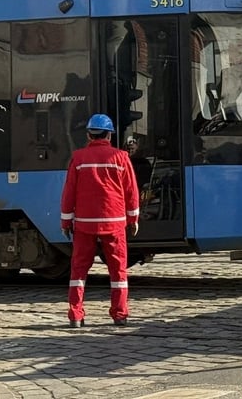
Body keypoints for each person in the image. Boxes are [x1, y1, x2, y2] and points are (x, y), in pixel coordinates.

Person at [60, 113, 140, 328]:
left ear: (89, 135)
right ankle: (120, 314)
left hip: (84, 223)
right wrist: (133, 218)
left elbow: (69, 192)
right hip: (115, 222)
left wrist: (66, 221)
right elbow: (131, 191)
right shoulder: (121, 157)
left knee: (78, 270)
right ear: (109, 135)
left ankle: (76, 315)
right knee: (118, 270)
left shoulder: (78, 158)